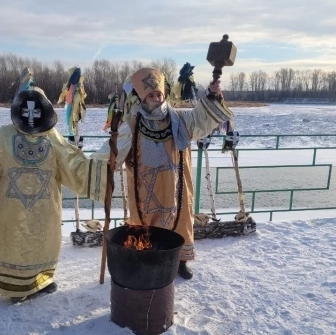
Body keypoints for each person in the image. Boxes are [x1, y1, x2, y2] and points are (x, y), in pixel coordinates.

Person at [0, 82, 107, 302]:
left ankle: (41, 281)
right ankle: (15, 288)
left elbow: (73, 164)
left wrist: (104, 162)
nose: (30, 114)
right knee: (14, 243)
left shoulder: (53, 137)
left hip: (45, 209)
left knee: (43, 243)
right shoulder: (3, 136)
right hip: (12, 210)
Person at [93, 67, 234, 280]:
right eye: (151, 95)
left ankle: (181, 261)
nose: (156, 98)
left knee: (181, 223)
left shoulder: (179, 119)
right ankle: (149, 260)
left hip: (177, 186)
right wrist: (96, 167)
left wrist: (212, 95)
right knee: (145, 226)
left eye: (159, 94)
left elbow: (200, 119)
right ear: (142, 97)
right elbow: (113, 151)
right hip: (145, 190)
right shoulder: (132, 123)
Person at [57, 66, 86, 145]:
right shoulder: (69, 86)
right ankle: (72, 138)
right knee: (70, 122)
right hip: (70, 105)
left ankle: (75, 139)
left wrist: (80, 88)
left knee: (74, 122)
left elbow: (83, 94)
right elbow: (66, 95)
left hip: (76, 106)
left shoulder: (79, 85)